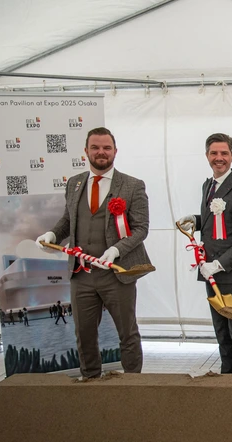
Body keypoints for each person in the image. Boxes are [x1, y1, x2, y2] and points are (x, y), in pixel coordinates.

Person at [35, 127, 152, 379]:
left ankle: (134, 385)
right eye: (96, 147)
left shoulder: (132, 186)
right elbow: (68, 220)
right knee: (84, 333)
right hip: (81, 275)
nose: (101, 152)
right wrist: (53, 235)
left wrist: (116, 249)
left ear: (115, 151)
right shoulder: (74, 183)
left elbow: (141, 229)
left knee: (127, 332)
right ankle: (90, 382)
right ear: (86, 151)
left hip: (117, 275)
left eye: (107, 148)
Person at [178, 133, 232, 374]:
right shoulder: (208, 185)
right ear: (207, 156)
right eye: (214, 153)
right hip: (209, 271)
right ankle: (226, 378)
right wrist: (197, 220)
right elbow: (219, 222)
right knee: (221, 331)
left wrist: (220, 264)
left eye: (224, 153)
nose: (219, 158)